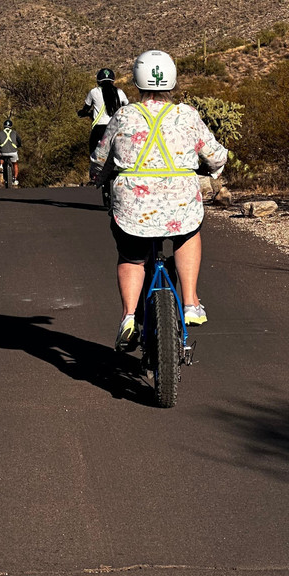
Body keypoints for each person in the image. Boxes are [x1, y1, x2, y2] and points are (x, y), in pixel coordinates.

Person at [91, 49, 228, 352]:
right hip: (180, 203)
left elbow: (101, 159)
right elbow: (215, 155)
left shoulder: (123, 115)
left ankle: (128, 317)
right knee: (188, 232)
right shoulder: (187, 115)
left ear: (138, 80)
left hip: (133, 209)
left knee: (131, 255)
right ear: (172, 79)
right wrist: (215, 168)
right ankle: (191, 302)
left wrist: (98, 177)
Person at [79, 67, 129, 155]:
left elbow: (86, 108)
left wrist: (82, 113)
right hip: (115, 128)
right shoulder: (119, 92)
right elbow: (126, 106)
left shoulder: (94, 92)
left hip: (99, 129)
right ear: (112, 81)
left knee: (94, 156)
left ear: (98, 81)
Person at [0, 119, 22, 186]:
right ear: (11, 126)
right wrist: (19, 145)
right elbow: (19, 140)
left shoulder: (0, 133)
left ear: (4, 126)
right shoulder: (14, 132)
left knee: (1, 156)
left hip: (3, 152)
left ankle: (1, 165)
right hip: (13, 152)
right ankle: (15, 179)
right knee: (15, 164)